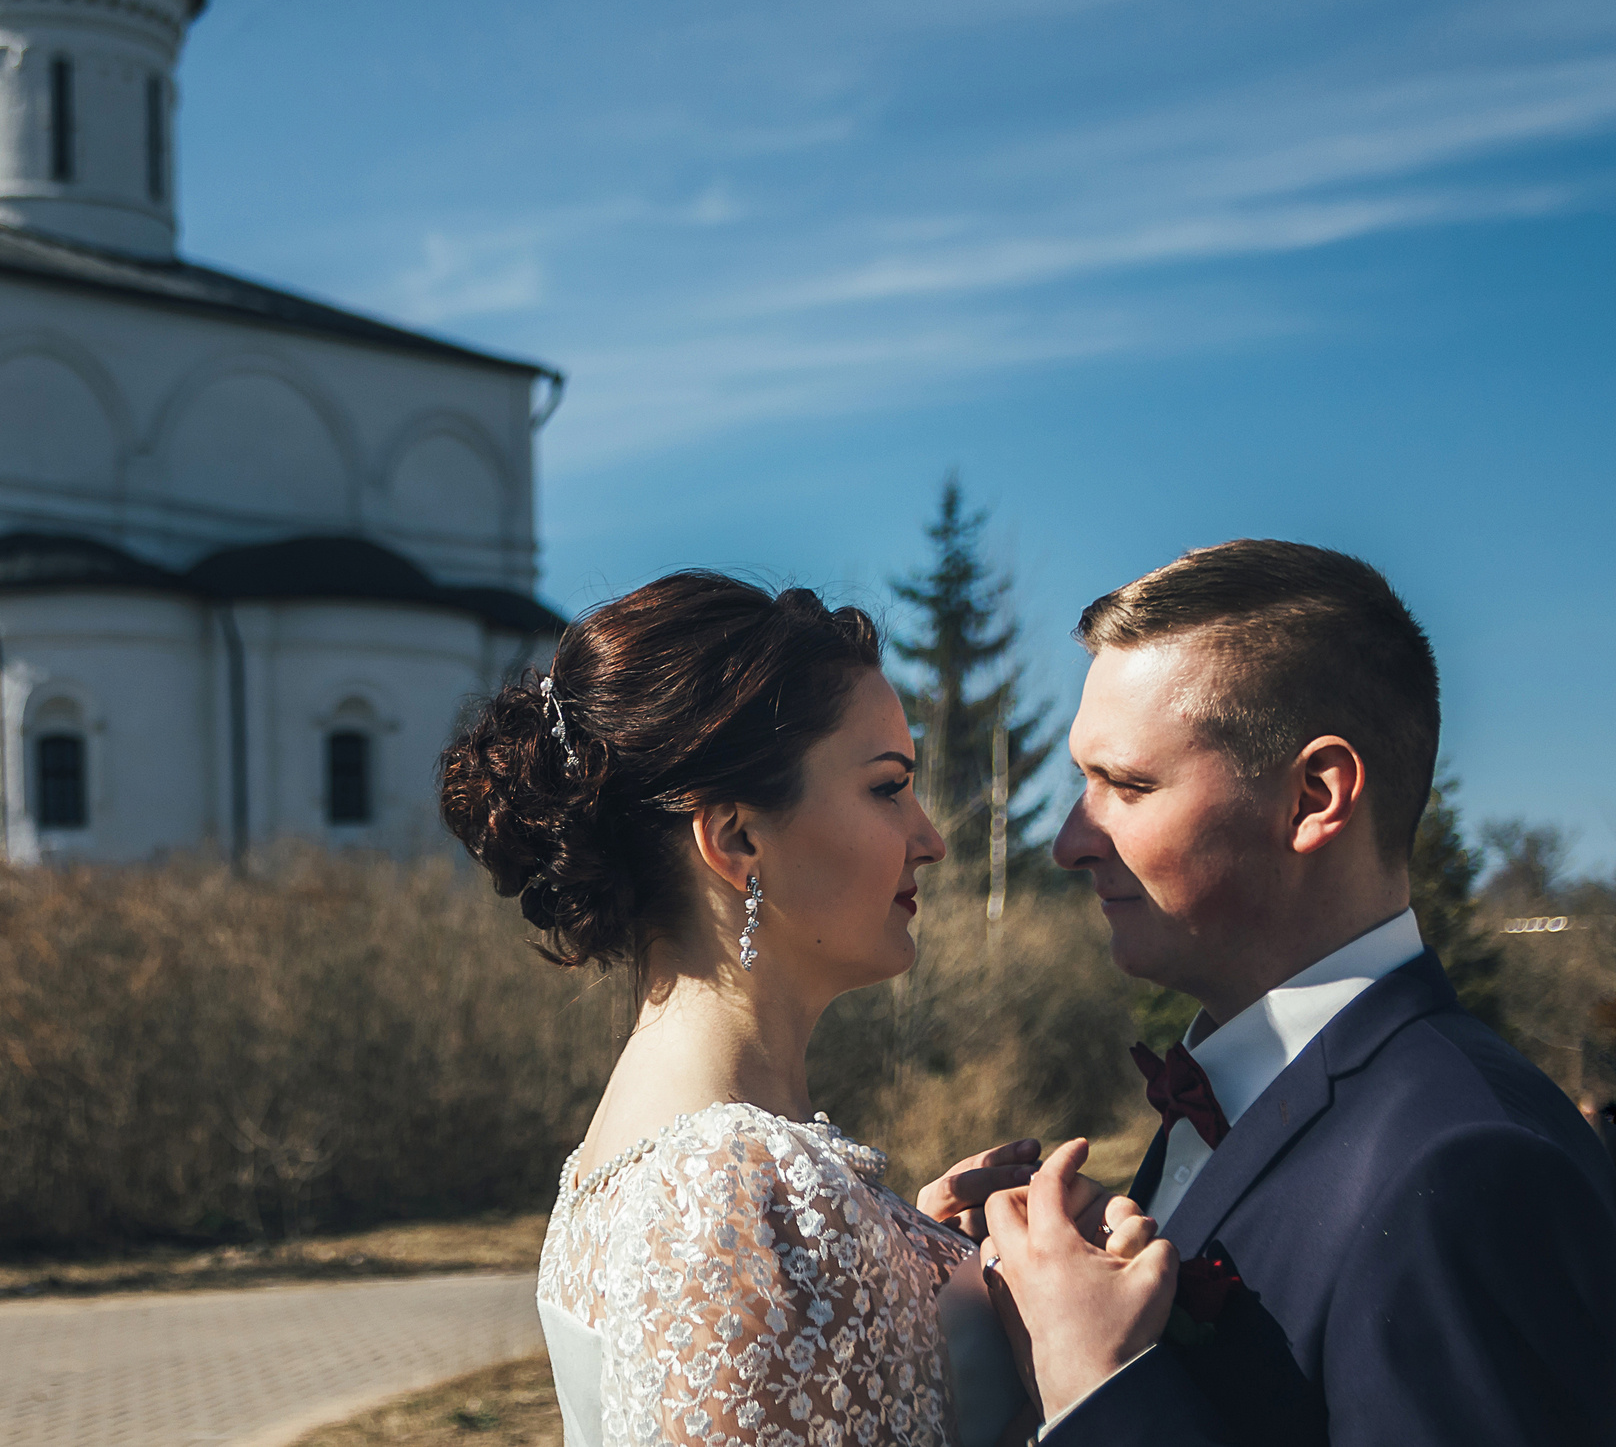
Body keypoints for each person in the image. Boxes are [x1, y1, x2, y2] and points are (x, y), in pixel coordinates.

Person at [980, 540, 1616, 1446]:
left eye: (1126, 783)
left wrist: (1099, 1384)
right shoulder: (1221, 1109)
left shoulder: (1468, 1166)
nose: (1070, 841)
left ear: (1316, 795)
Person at [439, 571, 1035, 1447]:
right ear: (737, 838)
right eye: (887, 787)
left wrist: (905, 1258)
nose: (931, 838)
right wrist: (1094, 1364)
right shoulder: (727, 1189)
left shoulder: (703, 1167)